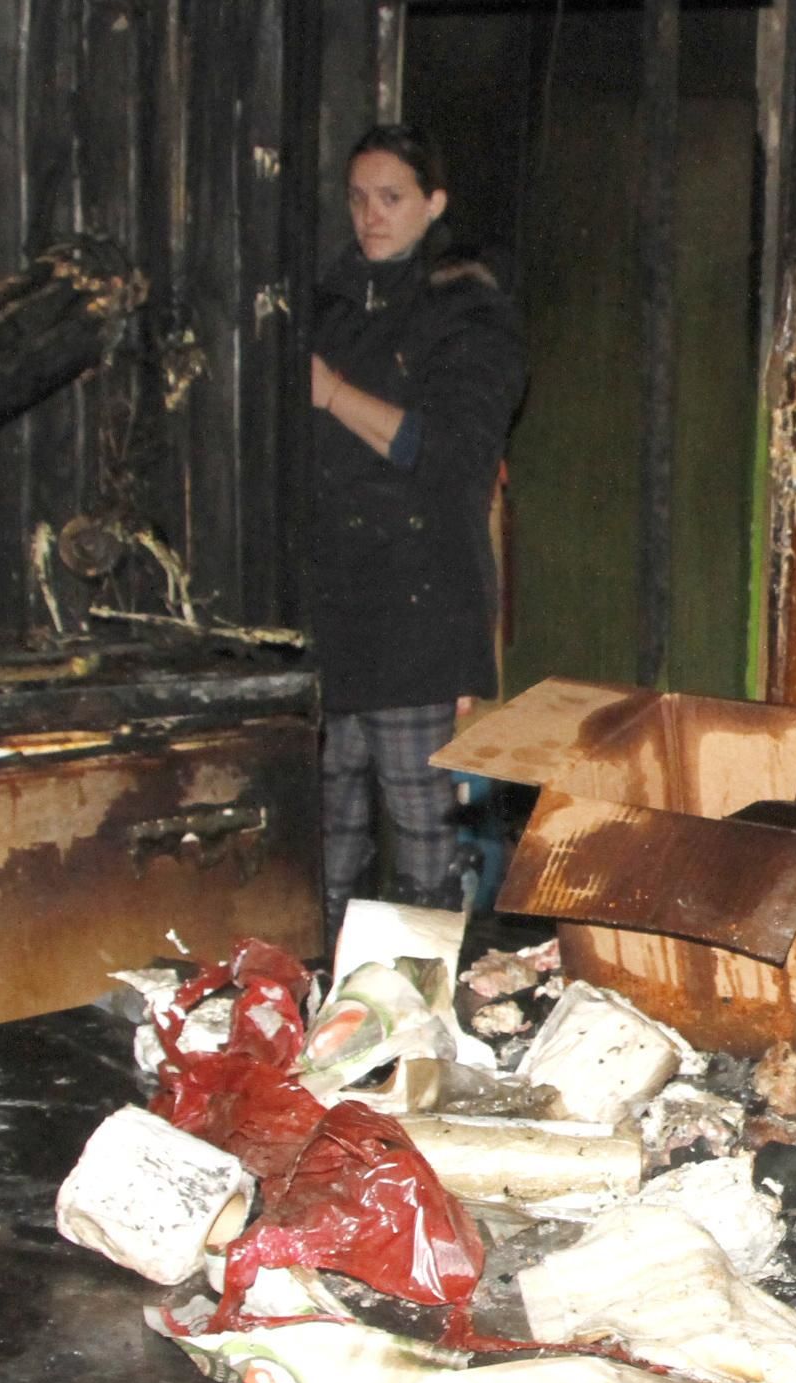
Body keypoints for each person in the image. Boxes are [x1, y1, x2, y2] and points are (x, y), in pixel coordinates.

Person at [308, 123, 526, 935]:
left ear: (434, 203)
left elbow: (451, 455)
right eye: (359, 198)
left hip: (417, 603)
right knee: (322, 838)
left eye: (392, 198)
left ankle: (436, 991)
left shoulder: (468, 311)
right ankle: (319, 995)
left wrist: (331, 394)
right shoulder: (327, 302)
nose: (372, 216)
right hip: (331, 604)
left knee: (423, 831)